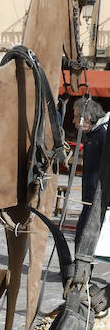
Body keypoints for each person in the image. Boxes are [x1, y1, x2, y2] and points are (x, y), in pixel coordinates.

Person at [73, 98, 109, 246]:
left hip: (99, 200)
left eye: (75, 116)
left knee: (87, 239)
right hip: (89, 198)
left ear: (86, 118)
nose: (73, 120)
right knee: (81, 236)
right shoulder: (93, 133)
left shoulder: (103, 134)